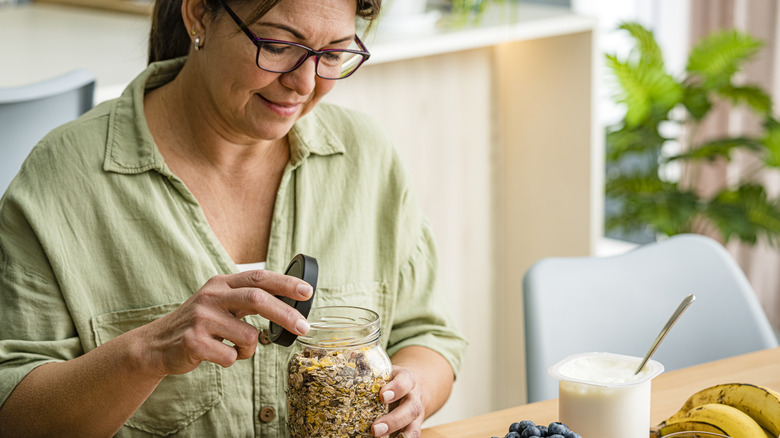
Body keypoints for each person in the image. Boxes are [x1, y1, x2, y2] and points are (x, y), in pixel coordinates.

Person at [0, 0, 467, 436]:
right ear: (200, 15)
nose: (305, 85)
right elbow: (12, 413)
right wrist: (147, 353)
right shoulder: (63, 178)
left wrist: (413, 390)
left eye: (333, 53)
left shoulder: (367, 158)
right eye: (279, 46)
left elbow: (427, 335)